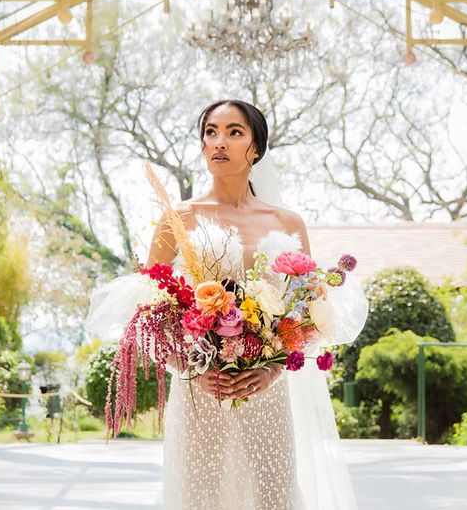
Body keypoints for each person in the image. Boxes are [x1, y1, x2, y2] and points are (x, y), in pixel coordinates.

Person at [85, 98, 366, 509]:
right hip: (201, 391)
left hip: (267, 391)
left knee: (274, 495)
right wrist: (193, 370)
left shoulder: (287, 223)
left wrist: (271, 370)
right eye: (211, 133)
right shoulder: (179, 217)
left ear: (255, 149)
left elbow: (309, 311)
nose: (220, 142)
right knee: (199, 496)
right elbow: (147, 310)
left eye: (234, 132)